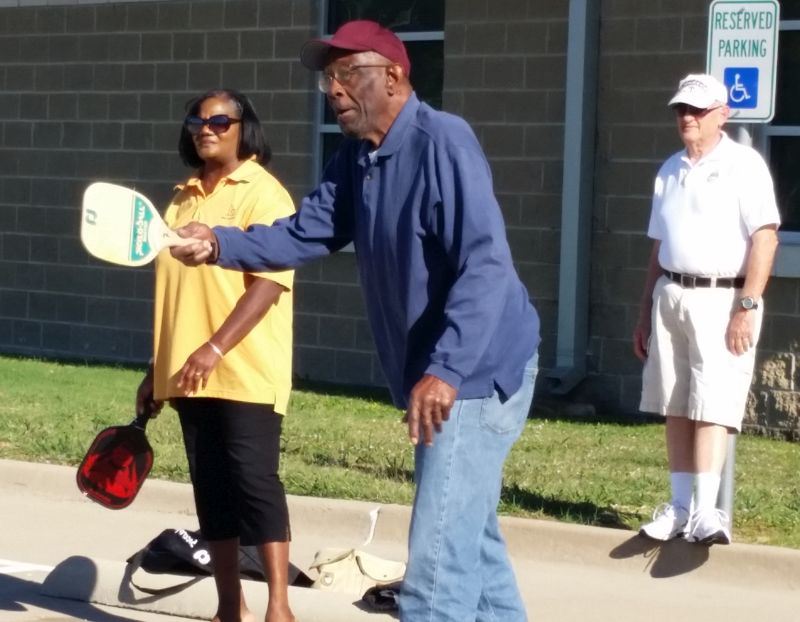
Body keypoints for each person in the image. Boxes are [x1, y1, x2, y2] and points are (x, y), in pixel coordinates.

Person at [169, 20, 540, 622]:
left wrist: (445, 370)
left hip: (477, 370)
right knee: (469, 540)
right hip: (441, 371)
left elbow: (486, 264)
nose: (334, 89)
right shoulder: (357, 158)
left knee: (437, 568)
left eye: (347, 73)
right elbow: (304, 233)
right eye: (328, 78)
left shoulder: (443, 141)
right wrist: (217, 242)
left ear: (393, 76)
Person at [135, 89, 296, 622]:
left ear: (243, 128)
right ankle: (231, 608)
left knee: (255, 484)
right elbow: (178, 293)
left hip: (246, 368)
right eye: (197, 121)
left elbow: (270, 282)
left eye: (220, 121)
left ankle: (279, 609)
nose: (206, 129)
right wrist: (157, 368)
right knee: (212, 492)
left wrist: (215, 347)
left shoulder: (264, 193)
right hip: (188, 371)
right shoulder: (181, 198)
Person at [633, 74, 780, 545]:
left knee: (713, 404)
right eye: (681, 109)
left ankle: (706, 512)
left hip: (724, 297)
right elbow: (658, 247)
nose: (687, 118)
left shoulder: (744, 165)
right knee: (675, 402)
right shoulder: (669, 170)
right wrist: (644, 311)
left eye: (697, 110)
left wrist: (747, 305)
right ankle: (679, 508)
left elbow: (765, 238)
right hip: (671, 294)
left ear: (722, 114)